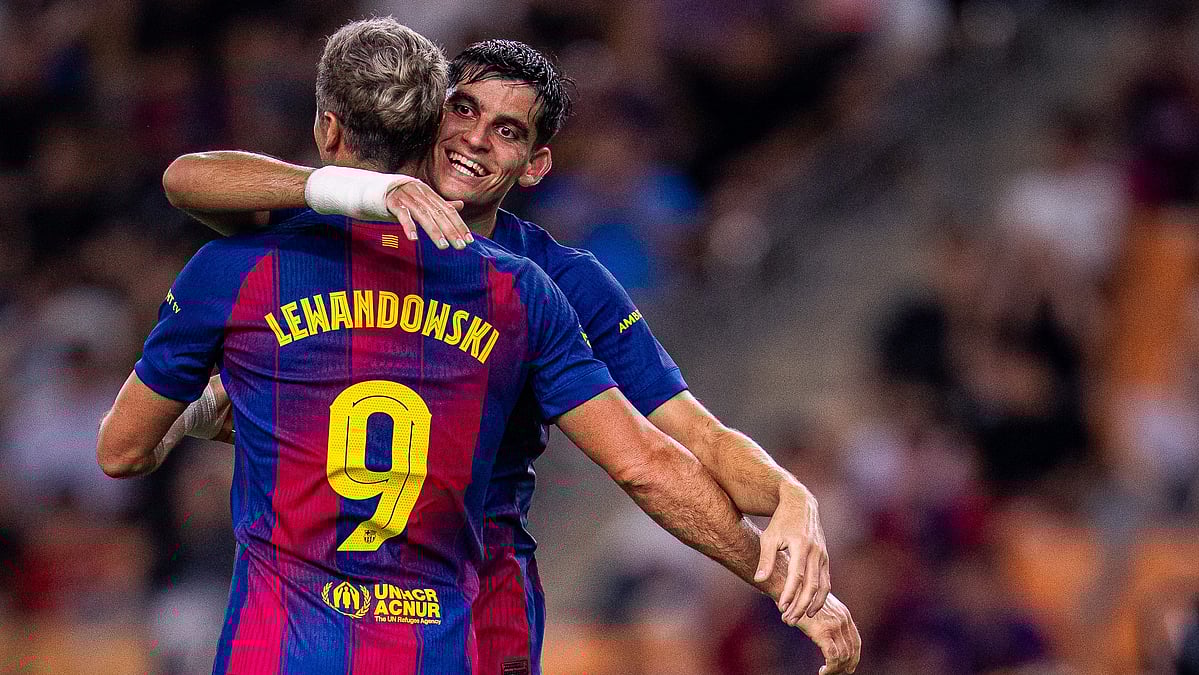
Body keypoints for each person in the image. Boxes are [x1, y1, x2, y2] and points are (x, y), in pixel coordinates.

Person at [100, 18, 860, 675]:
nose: (473, 138)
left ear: (534, 164)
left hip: (475, 596)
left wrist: (788, 499)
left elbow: (681, 441)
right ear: (428, 114)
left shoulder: (555, 283)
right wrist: (362, 192)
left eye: (507, 129)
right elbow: (191, 179)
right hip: (418, 617)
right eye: (461, 109)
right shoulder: (471, 278)